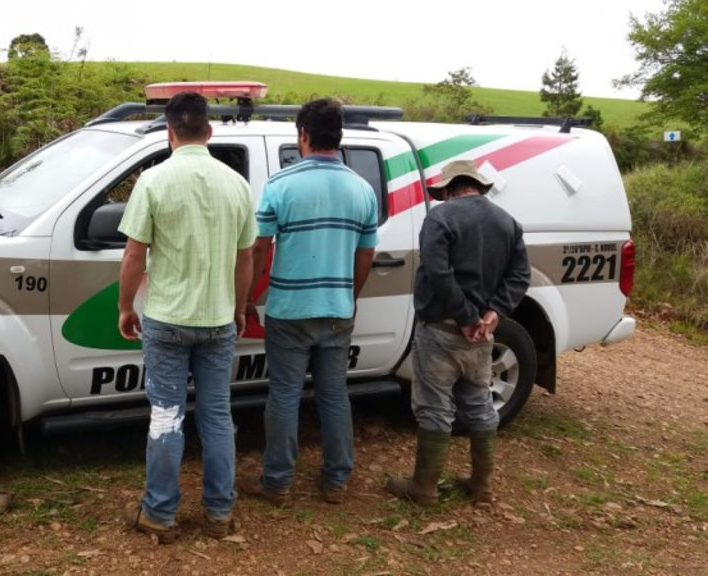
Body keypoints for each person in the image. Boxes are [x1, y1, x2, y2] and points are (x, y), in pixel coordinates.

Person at [117, 91, 256, 543]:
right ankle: (220, 513)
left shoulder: (153, 181)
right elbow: (245, 257)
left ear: (169, 131)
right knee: (217, 417)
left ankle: (159, 512)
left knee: (166, 415)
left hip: (167, 319)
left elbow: (134, 254)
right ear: (210, 131)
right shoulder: (236, 184)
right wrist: (238, 307)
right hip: (218, 321)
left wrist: (124, 307)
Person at [243, 98, 378, 505]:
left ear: (303, 135)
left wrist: (249, 298)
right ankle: (336, 481)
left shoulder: (281, 185)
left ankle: (278, 482)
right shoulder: (362, 190)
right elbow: (366, 253)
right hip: (337, 311)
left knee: (284, 395)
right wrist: (348, 296)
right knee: (334, 395)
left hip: (289, 311)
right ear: (338, 137)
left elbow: (259, 250)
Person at [385, 159, 530, 506]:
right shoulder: (507, 223)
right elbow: (519, 275)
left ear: (450, 189)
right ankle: (482, 487)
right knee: (479, 403)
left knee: (435, 407)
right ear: (477, 186)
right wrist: (493, 313)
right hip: (482, 334)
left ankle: (424, 487)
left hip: (441, 330)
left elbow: (438, 271)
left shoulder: (441, 218)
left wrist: (465, 316)